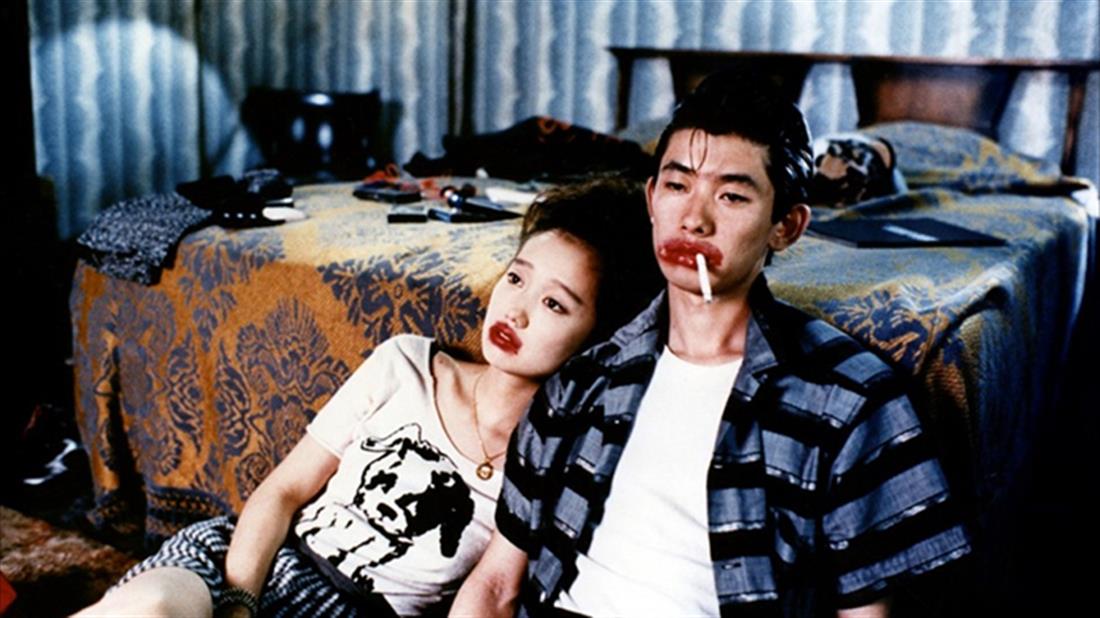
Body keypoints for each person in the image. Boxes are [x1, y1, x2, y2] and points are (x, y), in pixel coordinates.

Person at [452, 71, 972, 618]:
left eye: (731, 196)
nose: (693, 220)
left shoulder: (847, 398)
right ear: (651, 199)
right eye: (677, 187)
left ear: (787, 226)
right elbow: (495, 586)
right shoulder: (583, 381)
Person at [76, 178, 662, 618]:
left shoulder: (549, 461)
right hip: (249, 565)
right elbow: (283, 491)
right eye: (516, 277)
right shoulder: (406, 363)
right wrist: (239, 606)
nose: (517, 310)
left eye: (555, 304)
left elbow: (491, 592)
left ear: (600, 336)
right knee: (149, 607)